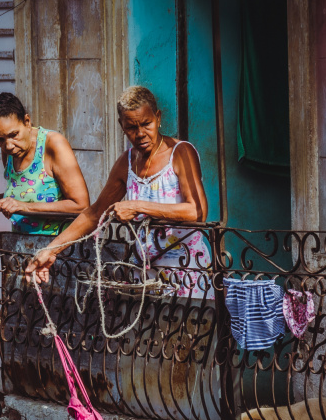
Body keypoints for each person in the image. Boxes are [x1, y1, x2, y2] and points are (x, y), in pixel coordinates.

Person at [26, 86, 213, 299]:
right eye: (132, 127)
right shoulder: (127, 162)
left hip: (186, 275)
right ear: (121, 126)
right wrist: (51, 250)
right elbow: (95, 212)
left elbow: (197, 212)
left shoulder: (180, 153)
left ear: (158, 118)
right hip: (145, 278)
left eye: (146, 124)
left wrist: (138, 206)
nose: (140, 133)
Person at [0, 93, 89, 235]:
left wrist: (25, 207)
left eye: (14, 135)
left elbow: (81, 206)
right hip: (23, 248)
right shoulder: (9, 150)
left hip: (59, 251)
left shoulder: (53, 145)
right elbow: (23, 194)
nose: (8, 145)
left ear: (27, 122)